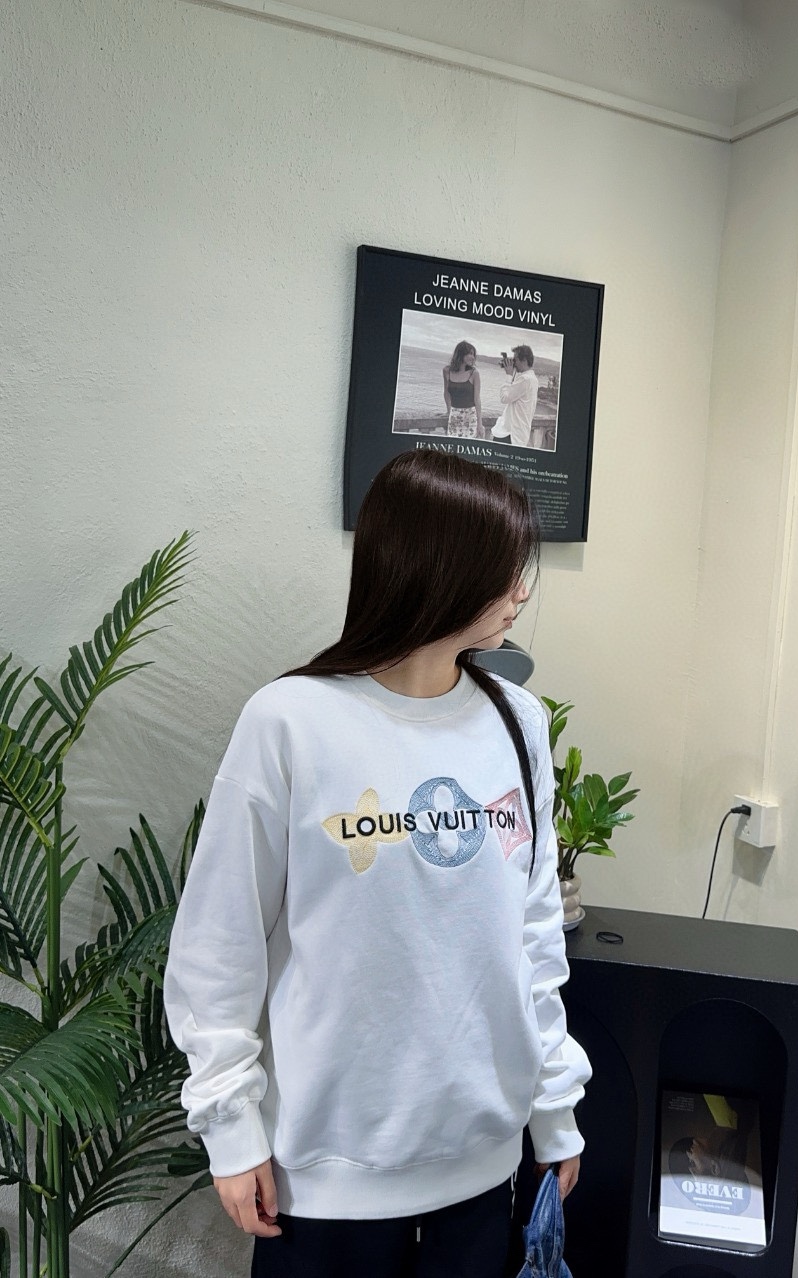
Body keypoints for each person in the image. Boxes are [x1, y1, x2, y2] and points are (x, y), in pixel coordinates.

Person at [164, 449, 591, 1278]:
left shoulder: (519, 723)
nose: (522, 592)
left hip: (481, 1163)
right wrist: (230, 1128)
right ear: (441, 570)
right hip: (327, 1180)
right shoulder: (291, 722)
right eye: (505, 571)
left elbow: (533, 936)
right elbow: (219, 944)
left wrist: (554, 1111)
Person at [491, 345, 538, 448]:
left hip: (511, 435)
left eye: (515, 360)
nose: (514, 363)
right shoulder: (532, 378)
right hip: (519, 435)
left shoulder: (525, 379)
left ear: (524, 360)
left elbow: (504, 398)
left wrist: (508, 375)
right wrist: (513, 372)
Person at [442, 340, 482, 438]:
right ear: (461, 353)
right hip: (454, 416)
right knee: (453, 445)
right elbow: (446, 393)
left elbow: (477, 399)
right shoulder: (447, 371)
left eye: (473, 354)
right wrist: (449, 411)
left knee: (468, 445)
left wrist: (480, 424)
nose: (473, 357)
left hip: (470, 417)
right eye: (470, 353)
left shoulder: (474, 373)